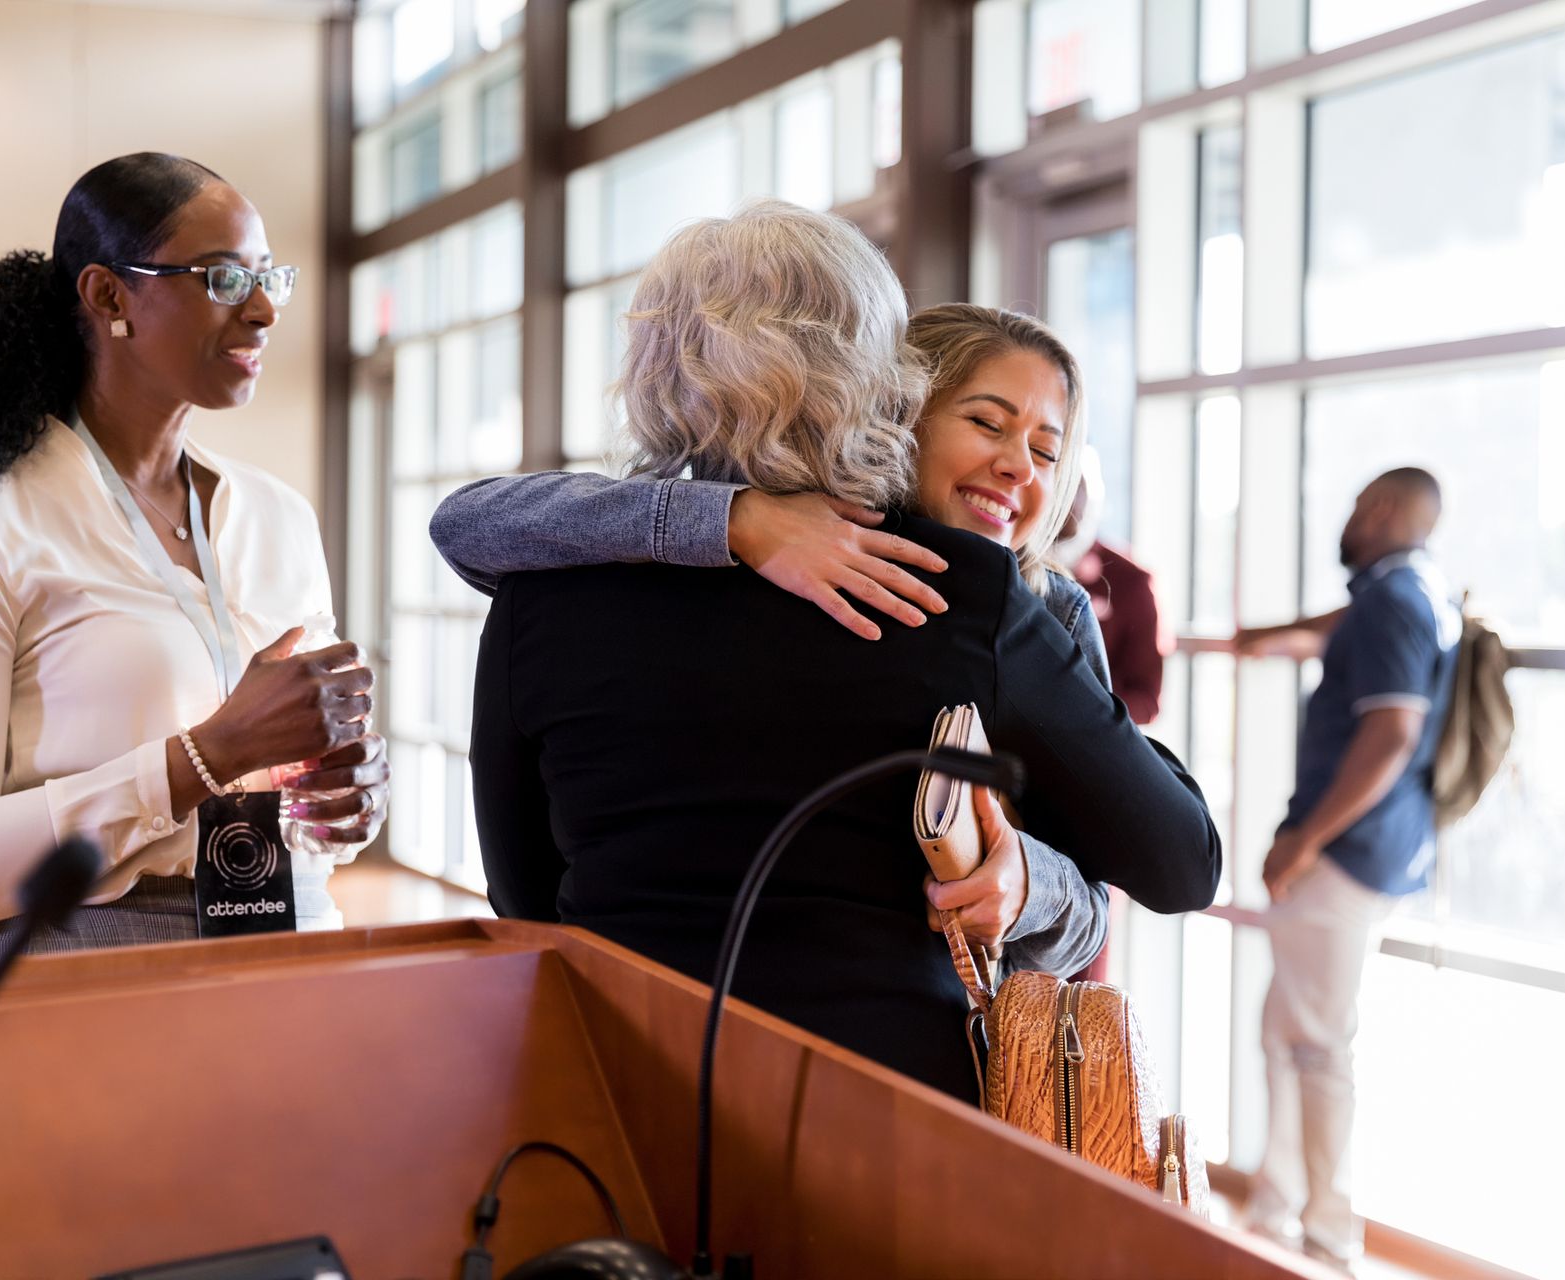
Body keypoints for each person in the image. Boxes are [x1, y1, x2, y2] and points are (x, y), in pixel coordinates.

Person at [465, 201, 1221, 1099]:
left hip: (617, 1079)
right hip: (887, 1115)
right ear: (881, 374)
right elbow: (1182, 862)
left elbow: (523, 897)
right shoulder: (959, 591)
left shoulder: (539, 588)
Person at [433, 302, 1143, 976]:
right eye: (988, 423)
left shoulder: (1054, 611)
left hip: (946, 1038)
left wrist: (1028, 886)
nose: (1020, 465)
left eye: (1048, 453)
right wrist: (735, 519)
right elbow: (467, 522)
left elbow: (1097, 906)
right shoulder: (791, 551)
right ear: (902, 416)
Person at [0, 153, 388, 957]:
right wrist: (203, 758)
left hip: (291, 943)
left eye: (271, 277)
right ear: (108, 295)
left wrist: (343, 802)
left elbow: (308, 794)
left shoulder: (279, 517)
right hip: (82, 967)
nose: (267, 309)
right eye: (224, 279)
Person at [1231, 466, 1462, 1269]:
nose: (1349, 519)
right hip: (1380, 849)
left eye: (1362, 507)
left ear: (1392, 511)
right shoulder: (1414, 591)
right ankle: (1280, 1201)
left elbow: (1392, 732)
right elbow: (1345, 622)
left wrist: (1304, 839)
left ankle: (1324, 1226)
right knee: (1291, 1027)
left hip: (1344, 854)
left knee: (1317, 1038)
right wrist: (1268, 636)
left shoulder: (1395, 601)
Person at [1053, 447, 1166, 726]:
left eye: (1075, 487)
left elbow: (1147, 699)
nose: (1065, 500)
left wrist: (1085, 706)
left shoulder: (1131, 581)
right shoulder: (1012, 559)